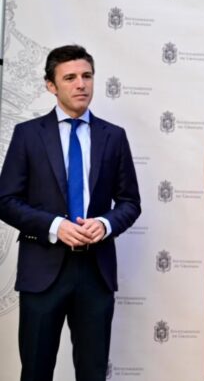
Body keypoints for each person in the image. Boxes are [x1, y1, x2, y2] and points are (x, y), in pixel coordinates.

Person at [0, 44, 141, 381]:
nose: (81, 84)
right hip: (42, 272)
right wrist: (55, 226)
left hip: (96, 272)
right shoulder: (28, 134)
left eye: (87, 76)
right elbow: (5, 200)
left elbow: (129, 202)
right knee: (36, 371)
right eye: (71, 77)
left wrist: (105, 224)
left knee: (93, 372)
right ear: (51, 85)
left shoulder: (114, 137)